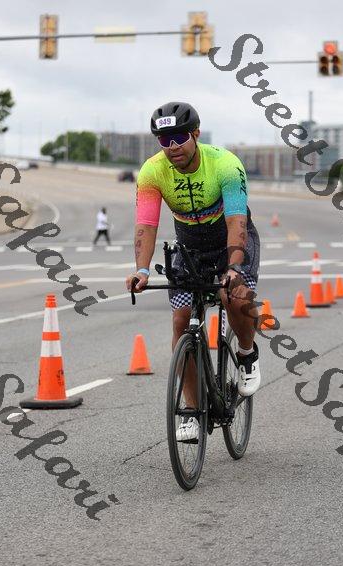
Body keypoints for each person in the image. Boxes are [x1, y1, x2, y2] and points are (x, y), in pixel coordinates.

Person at [125, 102, 261, 441]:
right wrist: (141, 270)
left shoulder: (225, 164)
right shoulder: (152, 171)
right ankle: (191, 411)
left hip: (230, 239)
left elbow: (236, 221)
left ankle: (247, 354)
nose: (172, 147)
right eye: (164, 140)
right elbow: (146, 225)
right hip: (190, 248)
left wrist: (233, 267)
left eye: (179, 138)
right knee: (180, 321)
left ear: (196, 134)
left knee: (234, 295)